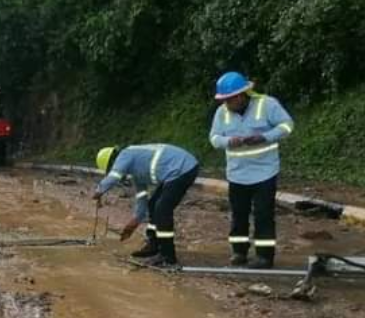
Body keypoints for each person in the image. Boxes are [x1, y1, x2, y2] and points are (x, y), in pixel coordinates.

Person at [208, 72, 294, 269]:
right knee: (239, 215)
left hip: (265, 172)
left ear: (241, 95)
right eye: (224, 100)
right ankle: (239, 252)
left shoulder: (267, 104)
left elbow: (287, 126)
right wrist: (229, 141)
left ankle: (265, 257)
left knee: (263, 214)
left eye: (228, 99)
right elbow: (214, 138)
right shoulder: (222, 112)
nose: (226, 104)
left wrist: (265, 137)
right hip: (237, 174)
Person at [93, 143, 200, 268]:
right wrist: (134, 222)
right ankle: (153, 246)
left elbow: (113, 177)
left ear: (112, 163)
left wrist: (98, 191)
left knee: (162, 210)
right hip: (177, 170)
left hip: (183, 168)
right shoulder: (136, 170)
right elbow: (142, 198)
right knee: (153, 204)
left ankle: (168, 256)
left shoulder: (125, 155)